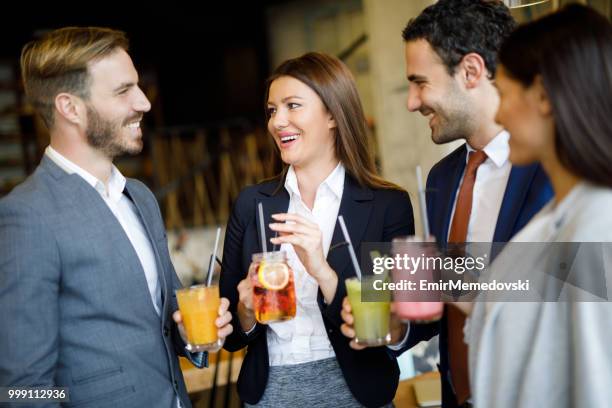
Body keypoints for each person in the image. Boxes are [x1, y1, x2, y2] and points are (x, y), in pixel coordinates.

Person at [0, 27, 233, 407]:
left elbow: (166, 325)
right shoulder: (26, 216)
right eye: (124, 91)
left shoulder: (139, 196)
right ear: (70, 107)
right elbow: (22, 387)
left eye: (138, 87)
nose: (144, 102)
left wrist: (198, 332)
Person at [340, 1, 552, 407]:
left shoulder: (553, 167)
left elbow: (566, 284)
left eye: (420, 82)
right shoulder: (441, 179)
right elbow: (438, 308)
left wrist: (436, 274)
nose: (411, 101)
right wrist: (398, 323)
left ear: (471, 71)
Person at [219, 52, 415, 407]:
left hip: (356, 392)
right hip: (269, 394)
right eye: (272, 110)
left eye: (293, 105)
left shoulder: (389, 205)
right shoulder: (251, 204)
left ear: (333, 116)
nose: (278, 121)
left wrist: (324, 272)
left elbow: (400, 320)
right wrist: (246, 311)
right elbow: (232, 332)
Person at [458, 4, 612, 407]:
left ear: (543, 95)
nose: (500, 113)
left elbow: (597, 387)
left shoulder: (597, 225)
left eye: (505, 93)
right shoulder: (559, 218)